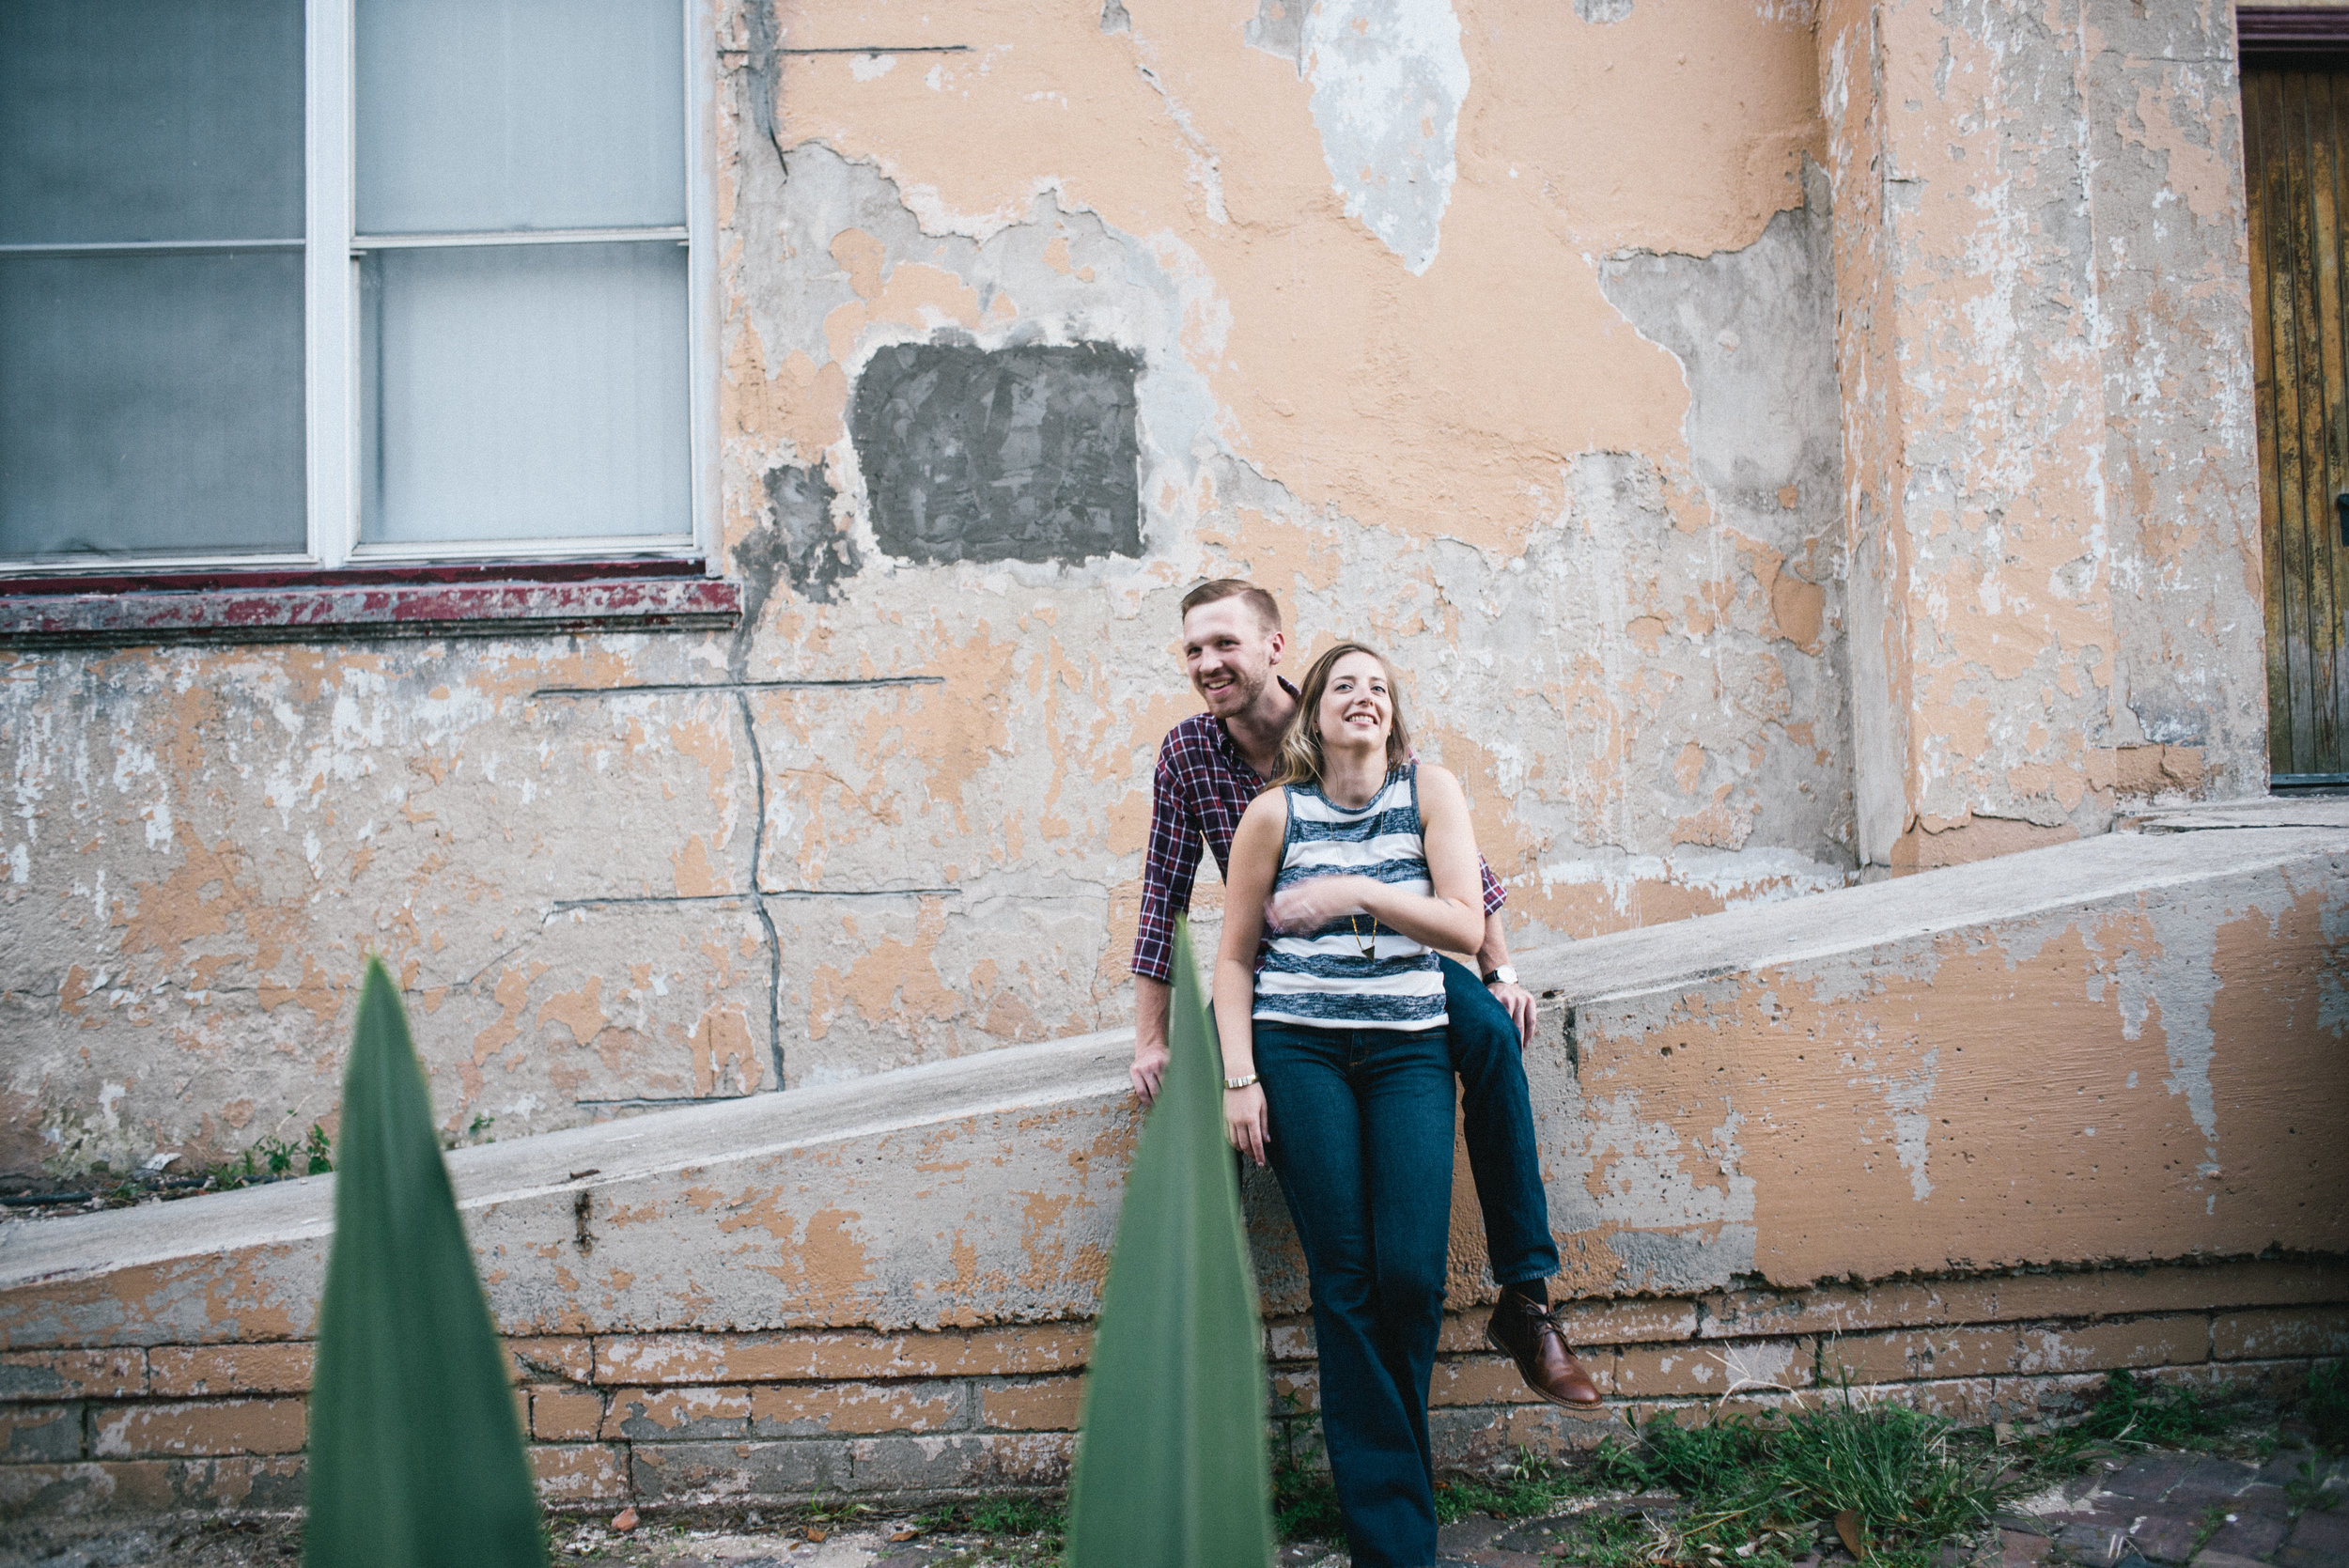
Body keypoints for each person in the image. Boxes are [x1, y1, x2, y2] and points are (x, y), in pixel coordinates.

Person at [1128, 580, 1599, 1410]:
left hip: (1394, 955)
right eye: (1195, 650)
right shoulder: (1189, 754)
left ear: (1274, 650)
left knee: (1491, 1033)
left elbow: (1464, 879)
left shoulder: (1347, 712)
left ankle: (1527, 1298)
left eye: (1225, 645)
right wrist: (1151, 1038)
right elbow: (1162, 896)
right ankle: (1198, 1332)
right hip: (1282, 977)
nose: (1209, 664)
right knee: (1207, 1088)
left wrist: (1501, 971)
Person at [1210, 640, 1482, 1567]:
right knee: (1346, 1280)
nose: (1361, 698)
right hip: (1299, 1053)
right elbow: (1233, 960)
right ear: (1314, 714)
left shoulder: (1428, 792)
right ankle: (1395, 1536)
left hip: (1408, 1049)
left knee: (1408, 1276)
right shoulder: (1271, 814)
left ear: (1392, 716)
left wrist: (1357, 889)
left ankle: (1389, 1479)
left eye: (1378, 687)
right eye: (1343, 686)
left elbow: (1465, 922)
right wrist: (1240, 1078)